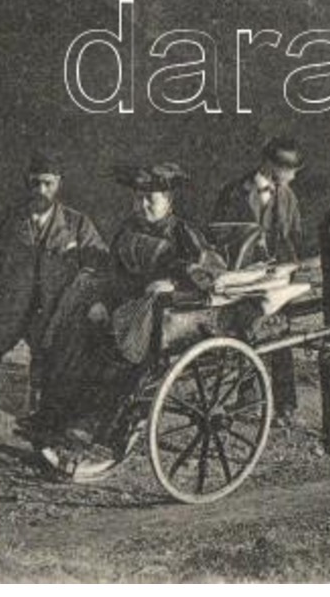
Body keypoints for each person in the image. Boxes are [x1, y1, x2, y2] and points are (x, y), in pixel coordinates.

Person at [30, 163, 224, 458]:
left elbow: (210, 273)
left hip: (163, 315)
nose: (142, 205)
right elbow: (112, 272)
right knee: (76, 337)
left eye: (151, 200)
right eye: (137, 198)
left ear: (168, 202)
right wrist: (99, 303)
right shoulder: (127, 228)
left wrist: (172, 284)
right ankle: (52, 418)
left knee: (119, 352)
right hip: (123, 305)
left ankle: (89, 425)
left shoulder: (182, 232)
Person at [0, 150, 107, 462]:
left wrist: (92, 301)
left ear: (58, 184)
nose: (40, 191)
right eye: (34, 183)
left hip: (52, 317)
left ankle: (47, 447)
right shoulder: (5, 220)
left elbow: (101, 265)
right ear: (26, 183)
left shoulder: (76, 224)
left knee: (55, 375)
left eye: (47, 183)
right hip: (5, 312)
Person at [213, 137, 306, 424]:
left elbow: (294, 236)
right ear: (271, 166)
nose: (293, 177)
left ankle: (285, 404)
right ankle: (248, 398)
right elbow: (218, 234)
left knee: (282, 336)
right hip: (243, 276)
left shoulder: (287, 196)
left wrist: (290, 271)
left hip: (278, 276)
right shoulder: (234, 193)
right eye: (289, 170)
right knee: (244, 333)